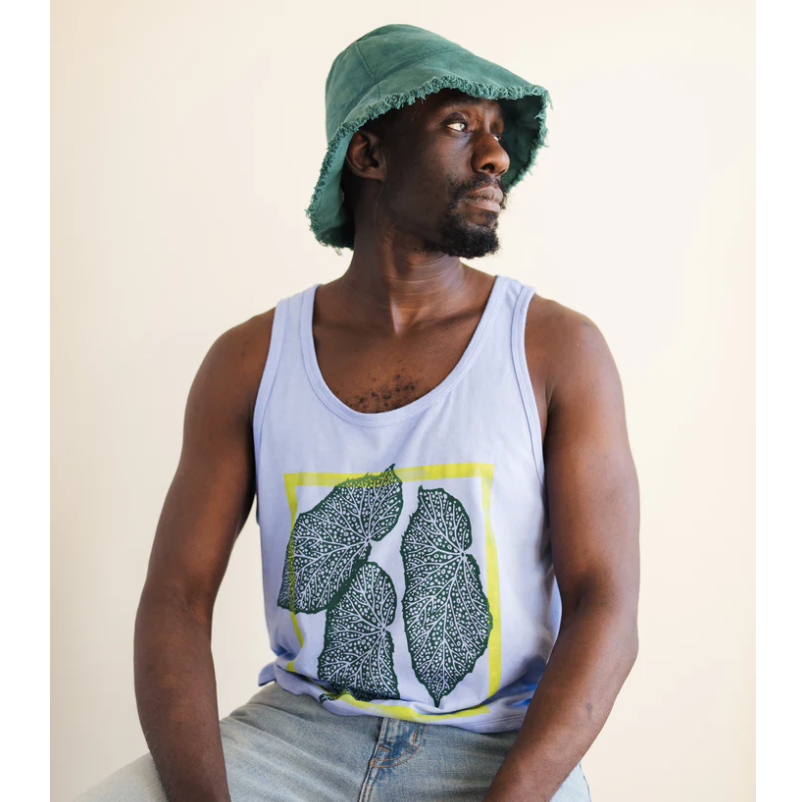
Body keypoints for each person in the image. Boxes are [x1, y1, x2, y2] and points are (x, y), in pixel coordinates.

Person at [75, 23, 640, 802]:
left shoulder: (556, 350)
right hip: (295, 736)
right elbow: (175, 598)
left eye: (499, 131)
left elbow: (605, 603)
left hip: (497, 749)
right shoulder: (249, 361)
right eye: (457, 125)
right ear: (369, 155)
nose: (495, 155)